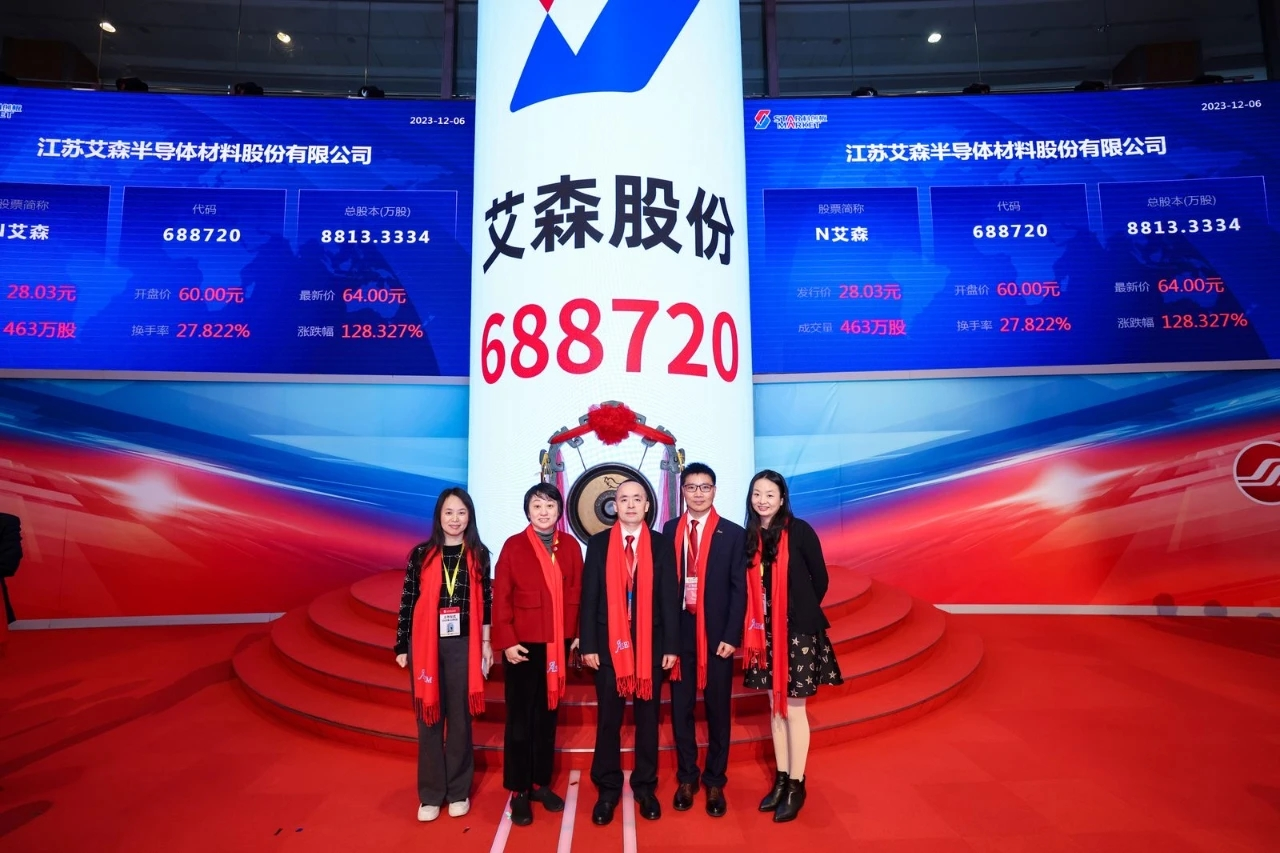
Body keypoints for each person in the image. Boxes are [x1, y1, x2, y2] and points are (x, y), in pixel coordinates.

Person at [741, 470, 843, 823]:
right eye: (757, 494)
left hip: (796, 632)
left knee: (794, 709)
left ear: (782, 498)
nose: (763, 500)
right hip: (763, 633)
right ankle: (782, 779)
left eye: (770, 494)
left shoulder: (800, 531)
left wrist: (797, 612)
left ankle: (797, 784)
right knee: (775, 707)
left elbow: (820, 579)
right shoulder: (750, 536)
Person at [579, 479, 679, 826]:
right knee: (609, 719)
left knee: (648, 720)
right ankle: (607, 789)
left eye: (638, 499)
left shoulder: (661, 545)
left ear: (647, 505)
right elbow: (589, 597)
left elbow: (669, 598)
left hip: (651, 644)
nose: (631, 505)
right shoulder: (598, 544)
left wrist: (671, 645)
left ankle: (645, 786)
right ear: (614, 505)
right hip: (609, 646)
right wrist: (588, 644)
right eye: (624, 499)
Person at [394, 487, 494, 823]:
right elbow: (408, 599)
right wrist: (401, 645)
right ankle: (431, 794)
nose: (455, 519)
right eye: (449, 512)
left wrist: (486, 642)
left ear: (470, 517)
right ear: (439, 516)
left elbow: (487, 603)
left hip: (464, 644)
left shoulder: (479, 554)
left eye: (461, 512)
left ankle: (458, 790)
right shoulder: (421, 554)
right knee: (429, 718)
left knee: (461, 720)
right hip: (425, 645)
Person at [491, 483, 584, 827]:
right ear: (527, 511)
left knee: (547, 720)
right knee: (520, 721)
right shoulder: (513, 546)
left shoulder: (570, 546)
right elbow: (501, 596)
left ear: (559, 511)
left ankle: (540, 784)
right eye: (537, 506)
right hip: (523, 647)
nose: (544, 512)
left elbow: (579, 591)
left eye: (550, 506)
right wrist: (507, 641)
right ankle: (518, 790)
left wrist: (578, 634)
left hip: (557, 644)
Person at [661, 463, 746, 817]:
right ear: (682, 491)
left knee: (717, 710)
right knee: (681, 709)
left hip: (716, 637)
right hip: (679, 634)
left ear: (714, 490)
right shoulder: (669, 529)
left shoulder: (733, 533)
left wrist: (731, 635)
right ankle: (687, 777)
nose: (698, 493)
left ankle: (714, 781)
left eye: (705, 487)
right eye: (692, 487)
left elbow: (739, 589)